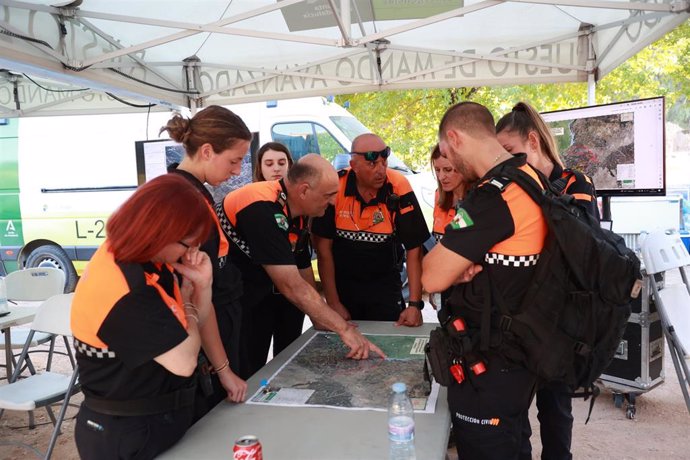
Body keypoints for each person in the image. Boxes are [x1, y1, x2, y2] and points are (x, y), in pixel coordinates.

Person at [423, 101, 548, 459]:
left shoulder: (494, 196)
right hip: (520, 352)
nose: (448, 165)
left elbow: (431, 276)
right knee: (513, 441)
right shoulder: (529, 176)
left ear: (453, 138)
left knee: (487, 449)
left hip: (492, 363)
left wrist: (454, 267)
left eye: (446, 154)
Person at [71, 174, 215, 459]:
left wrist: (204, 286)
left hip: (156, 420)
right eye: (190, 244)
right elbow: (185, 360)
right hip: (127, 434)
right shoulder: (124, 288)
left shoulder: (144, 257)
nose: (193, 252)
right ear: (159, 232)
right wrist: (188, 301)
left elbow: (192, 327)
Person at [217, 153, 385, 378]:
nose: (334, 201)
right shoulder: (262, 207)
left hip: (256, 291)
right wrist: (343, 329)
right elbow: (291, 284)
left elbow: (302, 264)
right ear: (304, 190)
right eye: (329, 195)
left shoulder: (298, 208)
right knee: (246, 373)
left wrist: (321, 318)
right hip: (228, 300)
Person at [496, 101, 599, 460]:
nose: (507, 163)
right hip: (521, 321)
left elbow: (582, 245)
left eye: (511, 152)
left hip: (562, 323)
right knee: (515, 414)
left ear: (534, 141)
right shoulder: (511, 189)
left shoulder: (576, 182)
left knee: (555, 411)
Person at [160, 105, 251, 419]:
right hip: (206, 333)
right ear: (208, 151)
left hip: (221, 319)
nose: (238, 171)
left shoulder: (195, 191)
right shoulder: (184, 199)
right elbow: (198, 296)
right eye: (235, 160)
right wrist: (223, 368)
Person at [311, 133, 429, 326]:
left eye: (384, 162)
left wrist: (415, 305)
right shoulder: (336, 186)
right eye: (372, 164)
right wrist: (332, 302)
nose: (381, 170)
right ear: (354, 165)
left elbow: (414, 249)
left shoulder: (398, 186)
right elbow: (323, 250)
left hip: (385, 287)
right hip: (344, 289)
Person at [252, 141, 313, 361]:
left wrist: (315, 305)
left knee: (288, 355)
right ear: (260, 168)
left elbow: (303, 257)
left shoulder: (301, 207)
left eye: (281, 162)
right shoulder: (253, 204)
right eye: (269, 163)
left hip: (291, 298)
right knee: (254, 355)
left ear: (290, 167)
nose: (276, 168)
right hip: (258, 298)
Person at [429, 143, 472, 313]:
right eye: (437, 170)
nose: (441, 176)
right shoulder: (439, 197)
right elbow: (437, 243)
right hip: (446, 284)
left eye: (447, 170)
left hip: (470, 286)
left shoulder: (477, 199)